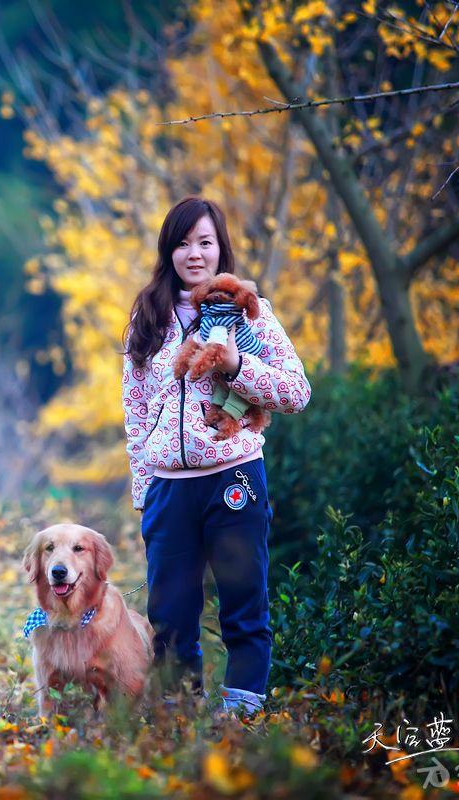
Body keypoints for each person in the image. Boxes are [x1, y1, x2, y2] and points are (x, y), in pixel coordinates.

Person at [121, 196, 311, 717]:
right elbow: (135, 412)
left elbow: (297, 391)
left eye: (204, 242)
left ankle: (241, 718)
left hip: (235, 477)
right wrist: (144, 491)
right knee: (170, 614)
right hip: (168, 487)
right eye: (182, 243)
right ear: (169, 250)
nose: (194, 254)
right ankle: (181, 716)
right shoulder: (149, 314)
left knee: (243, 604)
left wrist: (236, 364)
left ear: (220, 247)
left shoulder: (251, 310)